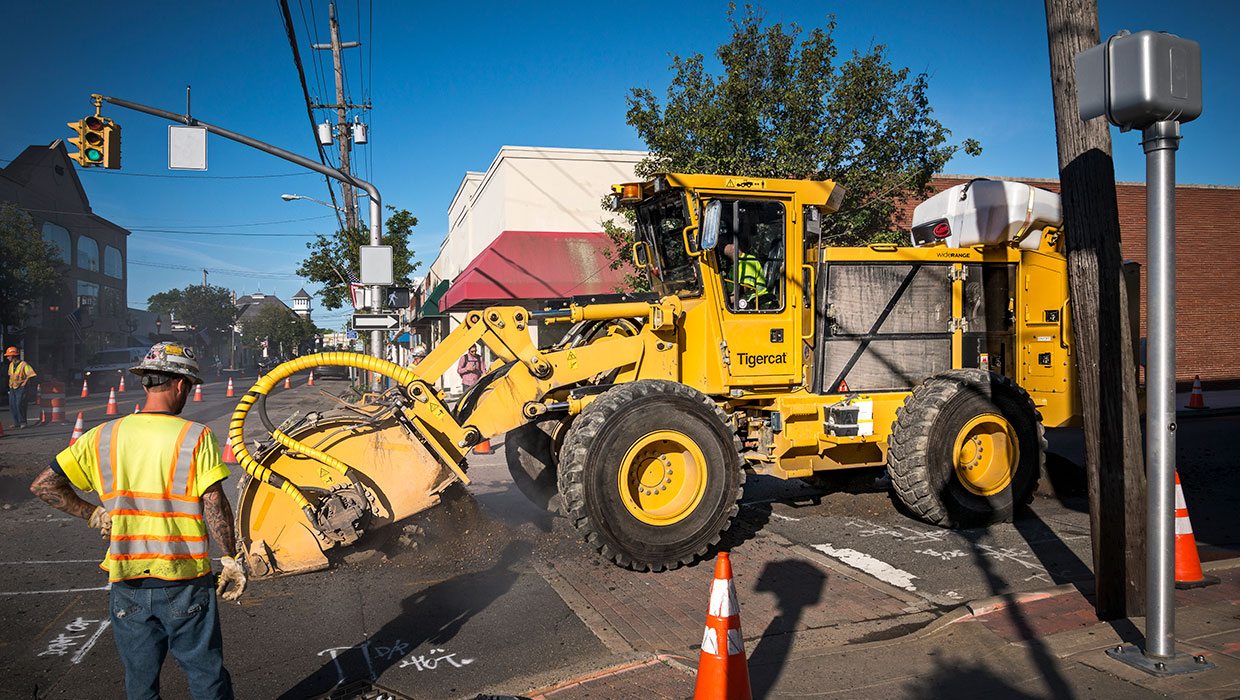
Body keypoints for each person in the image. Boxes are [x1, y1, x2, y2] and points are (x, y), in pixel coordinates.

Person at [29, 341, 246, 700]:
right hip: (184, 580)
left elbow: (43, 485)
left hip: (127, 581)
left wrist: (93, 513)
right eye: (189, 387)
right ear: (180, 385)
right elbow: (213, 502)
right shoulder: (195, 436)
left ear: (146, 382)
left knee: (141, 685)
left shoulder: (102, 436)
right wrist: (231, 558)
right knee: (206, 677)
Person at [720, 242, 768, 308]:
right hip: (743, 303)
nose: (719, 248)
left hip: (757, 304)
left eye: (723, 245)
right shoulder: (732, 266)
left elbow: (745, 287)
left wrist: (726, 301)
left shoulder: (748, 261)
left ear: (733, 245)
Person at [6, 346, 36, 429]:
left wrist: (25, 382)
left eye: (8, 355)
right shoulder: (11, 365)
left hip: (21, 387)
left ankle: (23, 422)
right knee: (13, 405)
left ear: (13, 356)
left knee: (20, 404)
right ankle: (16, 423)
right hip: (12, 387)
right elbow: (10, 375)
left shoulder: (24, 364)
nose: (7, 357)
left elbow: (31, 374)